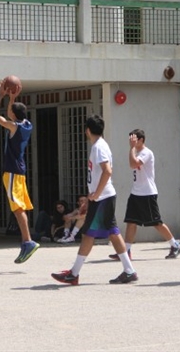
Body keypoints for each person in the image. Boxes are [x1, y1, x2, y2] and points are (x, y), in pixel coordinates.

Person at [52, 115, 137, 285]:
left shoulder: (98, 147)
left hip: (103, 197)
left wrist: (96, 194)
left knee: (88, 234)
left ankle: (74, 274)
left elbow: (107, 171)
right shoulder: (100, 146)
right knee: (111, 232)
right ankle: (129, 271)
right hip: (103, 197)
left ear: (87, 130)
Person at [109, 129, 180, 261]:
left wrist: (132, 148)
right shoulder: (135, 152)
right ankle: (126, 251)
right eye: (130, 139)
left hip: (147, 193)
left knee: (156, 222)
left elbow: (133, 164)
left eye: (134, 139)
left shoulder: (146, 153)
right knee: (131, 222)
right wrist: (132, 149)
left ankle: (175, 245)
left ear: (141, 140)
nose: (131, 142)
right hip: (135, 193)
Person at [0, 77, 39, 263]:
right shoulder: (27, 125)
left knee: (18, 209)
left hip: (11, 172)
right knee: (20, 208)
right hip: (20, 171)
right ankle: (27, 241)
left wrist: (0, 96)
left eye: (10, 109)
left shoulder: (13, 127)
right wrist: (12, 99)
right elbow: (14, 114)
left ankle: (28, 241)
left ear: (13, 114)